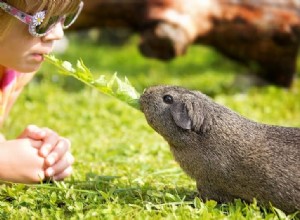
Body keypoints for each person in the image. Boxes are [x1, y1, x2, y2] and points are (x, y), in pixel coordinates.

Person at [0, 0, 84, 183]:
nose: (58, 34)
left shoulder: (13, 72)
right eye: (42, 22)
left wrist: (35, 152)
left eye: (67, 17)